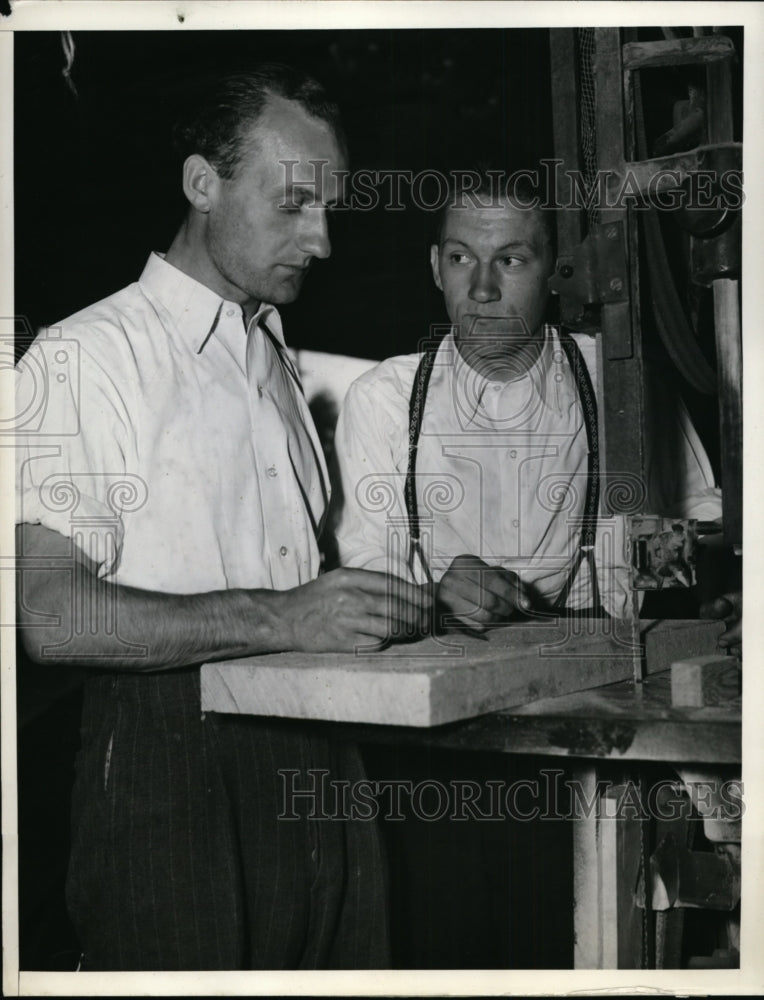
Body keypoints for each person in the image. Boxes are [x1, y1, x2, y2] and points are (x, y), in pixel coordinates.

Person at [14, 64, 429, 971]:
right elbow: (51, 616)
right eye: (292, 207)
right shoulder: (84, 358)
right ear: (203, 184)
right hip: (170, 771)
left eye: (330, 210)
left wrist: (424, 595)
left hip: (323, 755)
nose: (321, 241)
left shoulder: (271, 357)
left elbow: (314, 583)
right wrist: (279, 617)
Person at [334, 168, 737, 638]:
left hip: (592, 661)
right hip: (441, 659)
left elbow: (699, 515)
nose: (482, 289)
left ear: (554, 271)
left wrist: (694, 581)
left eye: (510, 260)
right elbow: (362, 567)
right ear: (434, 268)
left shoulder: (620, 379)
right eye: (461, 257)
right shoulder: (384, 398)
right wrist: (435, 595)